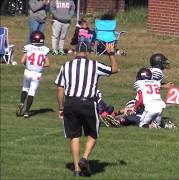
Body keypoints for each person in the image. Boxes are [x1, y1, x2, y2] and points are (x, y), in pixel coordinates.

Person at [55, 42, 118, 176]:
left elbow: (60, 87)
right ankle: (84, 157)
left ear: (75, 52)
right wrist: (111, 54)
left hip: (71, 103)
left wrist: (61, 107)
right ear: (88, 53)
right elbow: (114, 69)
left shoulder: (66, 66)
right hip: (88, 103)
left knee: (74, 136)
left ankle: (77, 170)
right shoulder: (94, 65)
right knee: (93, 133)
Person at [16, 31, 50, 118]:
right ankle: (27, 112)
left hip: (28, 71)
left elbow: (22, 61)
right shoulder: (45, 49)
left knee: (25, 88)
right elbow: (47, 64)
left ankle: (21, 103)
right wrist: (39, 65)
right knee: (32, 92)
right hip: (37, 74)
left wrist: (29, 65)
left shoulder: (28, 47)